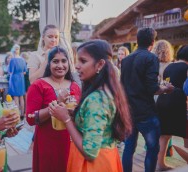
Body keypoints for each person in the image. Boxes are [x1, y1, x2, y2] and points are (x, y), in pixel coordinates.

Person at [50, 40, 132, 172]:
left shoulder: (96, 99)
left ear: (99, 64)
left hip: (94, 166)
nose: (76, 66)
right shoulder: (106, 90)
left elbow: (90, 152)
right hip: (107, 157)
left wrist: (66, 119)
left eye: (83, 61)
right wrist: (75, 113)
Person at [121, 28, 174, 172]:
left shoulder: (125, 60)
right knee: (152, 148)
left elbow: (122, 86)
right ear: (152, 42)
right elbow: (153, 88)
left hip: (129, 112)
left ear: (137, 41)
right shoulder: (151, 58)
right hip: (145, 112)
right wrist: (166, 89)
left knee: (128, 148)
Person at [26, 46, 81, 172]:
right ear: (48, 64)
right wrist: (57, 103)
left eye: (63, 61)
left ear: (69, 62)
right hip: (48, 143)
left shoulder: (75, 87)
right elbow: (30, 118)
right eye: (55, 61)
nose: (60, 65)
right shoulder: (39, 85)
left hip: (71, 142)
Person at [156, 45, 188, 170]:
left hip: (163, 102)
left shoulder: (169, 66)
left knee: (164, 135)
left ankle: (161, 164)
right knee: (186, 135)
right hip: (179, 104)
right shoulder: (186, 68)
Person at [151, 39, 174, 166]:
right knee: (165, 130)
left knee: (156, 128)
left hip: (154, 97)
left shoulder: (153, 64)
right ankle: (164, 156)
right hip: (166, 97)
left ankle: (154, 154)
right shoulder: (170, 65)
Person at [8, 44, 27, 117]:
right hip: (21, 79)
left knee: (16, 97)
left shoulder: (12, 60)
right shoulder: (22, 60)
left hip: (14, 79)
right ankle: (22, 113)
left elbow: (10, 71)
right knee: (21, 97)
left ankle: (17, 115)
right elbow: (25, 72)